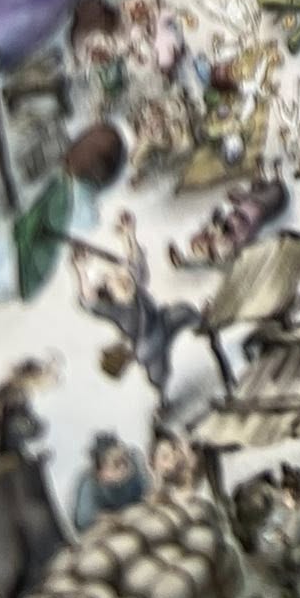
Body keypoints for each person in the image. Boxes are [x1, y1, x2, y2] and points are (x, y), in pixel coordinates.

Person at [72, 211, 201, 400]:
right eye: (114, 283)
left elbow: (136, 263)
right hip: (153, 340)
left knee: (185, 311)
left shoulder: (131, 284)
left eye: (120, 278)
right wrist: (81, 270)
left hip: (162, 320)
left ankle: (204, 323)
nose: (121, 279)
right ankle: (163, 398)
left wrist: (128, 233)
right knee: (158, 374)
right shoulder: (117, 312)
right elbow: (89, 301)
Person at [71, 431, 148, 532]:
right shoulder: (89, 483)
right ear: (100, 471)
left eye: (124, 461)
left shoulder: (135, 463)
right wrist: (108, 518)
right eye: (116, 464)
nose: (123, 468)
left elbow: (149, 492)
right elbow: (83, 519)